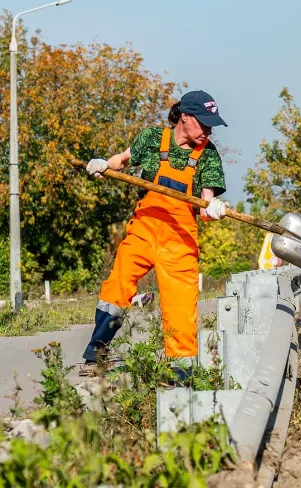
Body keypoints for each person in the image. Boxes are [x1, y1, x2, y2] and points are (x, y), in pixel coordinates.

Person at [81, 90, 230, 371]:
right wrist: (105, 165)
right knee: (117, 286)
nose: (209, 130)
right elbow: (123, 160)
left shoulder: (208, 154)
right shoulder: (152, 138)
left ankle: (181, 372)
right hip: (144, 229)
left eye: (212, 125)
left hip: (180, 241)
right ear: (185, 117)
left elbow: (205, 204)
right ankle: (96, 351)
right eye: (205, 123)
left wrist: (213, 209)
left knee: (181, 307)